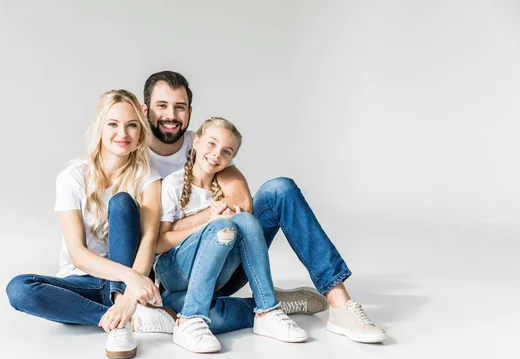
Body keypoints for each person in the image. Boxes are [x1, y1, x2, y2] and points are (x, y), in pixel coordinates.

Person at [143, 71, 387, 343]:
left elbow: (242, 205)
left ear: (189, 112)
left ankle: (339, 303)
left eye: (180, 107)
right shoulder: (133, 154)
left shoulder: (204, 142)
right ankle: (270, 303)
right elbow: (152, 238)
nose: (171, 115)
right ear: (145, 110)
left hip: (227, 256)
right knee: (208, 314)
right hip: (177, 271)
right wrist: (206, 220)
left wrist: (221, 215)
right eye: (161, 106)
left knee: (279, 189)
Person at [5, 89, 176, 359]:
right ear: (99, 127)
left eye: (132, 125)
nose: (123, 133)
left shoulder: (148, 177)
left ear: (141, 132)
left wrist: (129, 290)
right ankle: (125, 320)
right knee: (18, 289)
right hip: (86, 279)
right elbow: (78, 253)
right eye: (113, 124)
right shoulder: (72, 178)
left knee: (121, 202)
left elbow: (149, 239)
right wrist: (129, 277)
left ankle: (121, 312)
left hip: (130, 281)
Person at [156, 117, 308, 353]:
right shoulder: (172, 185)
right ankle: (191, 319)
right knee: (220, 227)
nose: (216, 154)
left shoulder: (226, 188)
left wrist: (229, 221)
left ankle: (267, 310)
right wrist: (210, 223)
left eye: (226, 152)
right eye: (211, 144)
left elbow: (243, 213)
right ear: (196, 142)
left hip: (214, 281)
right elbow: (160, 243)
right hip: (175, 275)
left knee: (245, 220)